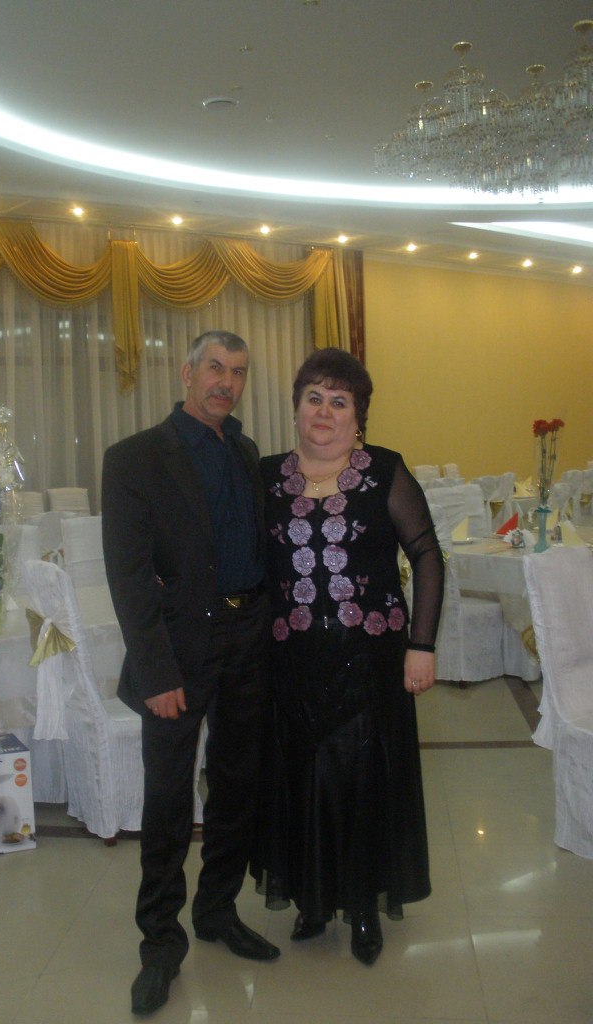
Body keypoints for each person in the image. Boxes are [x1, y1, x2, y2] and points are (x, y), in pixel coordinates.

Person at [101, 330, 280, 1018]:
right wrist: (155, 672)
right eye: (214, 367)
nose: (225, 382)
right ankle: (159, 942)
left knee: (237, 786)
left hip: (247, 641)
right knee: (170, 799)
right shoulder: (135, 458)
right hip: (177, 653)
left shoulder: (245, 452)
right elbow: (128, 576)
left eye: (238, 372)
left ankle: (217, 911)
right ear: (186, 373)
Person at [251, 347, 443, 966]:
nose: (325, 412)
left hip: (371, 662)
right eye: (314, 398)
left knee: (362, 784)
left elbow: (428, 556)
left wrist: (421, 646)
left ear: (358, 417)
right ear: (296, 407)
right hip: (292, 663)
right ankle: (311, 901)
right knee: (302, 780)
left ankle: (362, 907)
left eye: (340, 402)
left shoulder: (384, 471)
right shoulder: (266, 476)